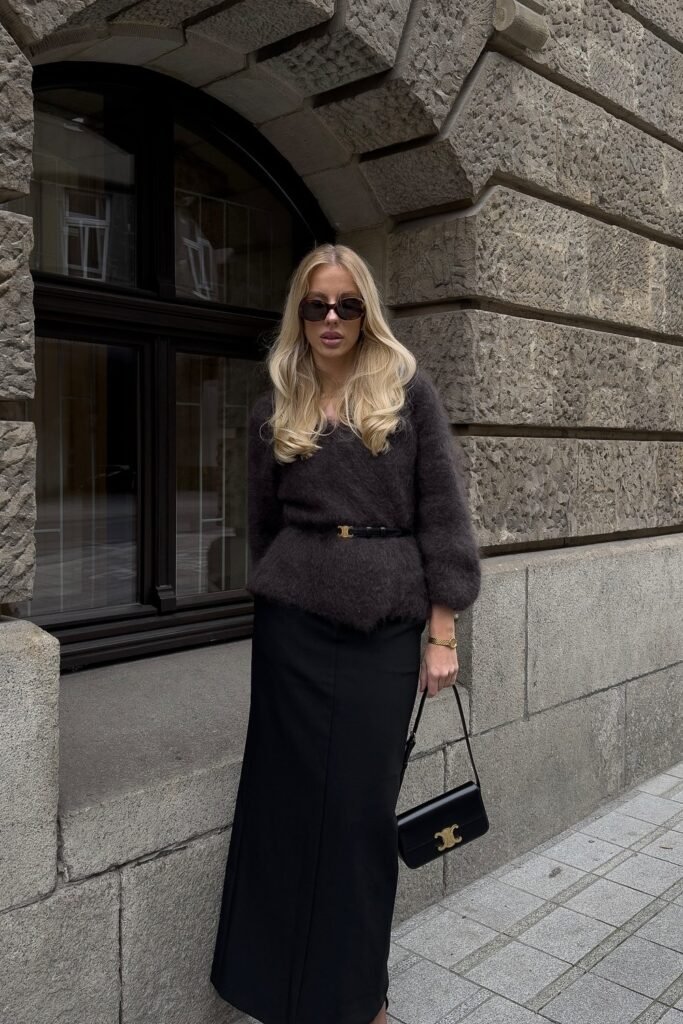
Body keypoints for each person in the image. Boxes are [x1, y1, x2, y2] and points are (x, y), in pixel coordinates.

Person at [210, 243, 482, 1024]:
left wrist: (443, 631)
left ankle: (360, 1001)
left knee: (359, 815)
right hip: (291, 628)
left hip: (385, 625)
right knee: (281, 807)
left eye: (346, 305)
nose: (330, 320)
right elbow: (261, 523)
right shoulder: (275, 404)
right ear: (298, 312)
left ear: (366, 311)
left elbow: (444, 516)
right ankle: (268, 991)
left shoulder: (406, 391)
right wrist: (280, 589)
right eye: (315, 305)